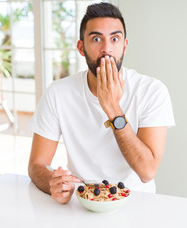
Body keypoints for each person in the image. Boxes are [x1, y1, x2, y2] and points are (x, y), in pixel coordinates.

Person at [28, 2, 175, 204]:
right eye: (96, 39)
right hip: (82, 203)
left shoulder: (152, 91)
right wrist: (52, 182)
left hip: (138, 205)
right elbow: (37, 164)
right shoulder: (58, 93)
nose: (107, 49)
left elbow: (147, 171)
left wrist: (112, 108)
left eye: (115, 39)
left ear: (124, 45)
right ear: (81, 47)